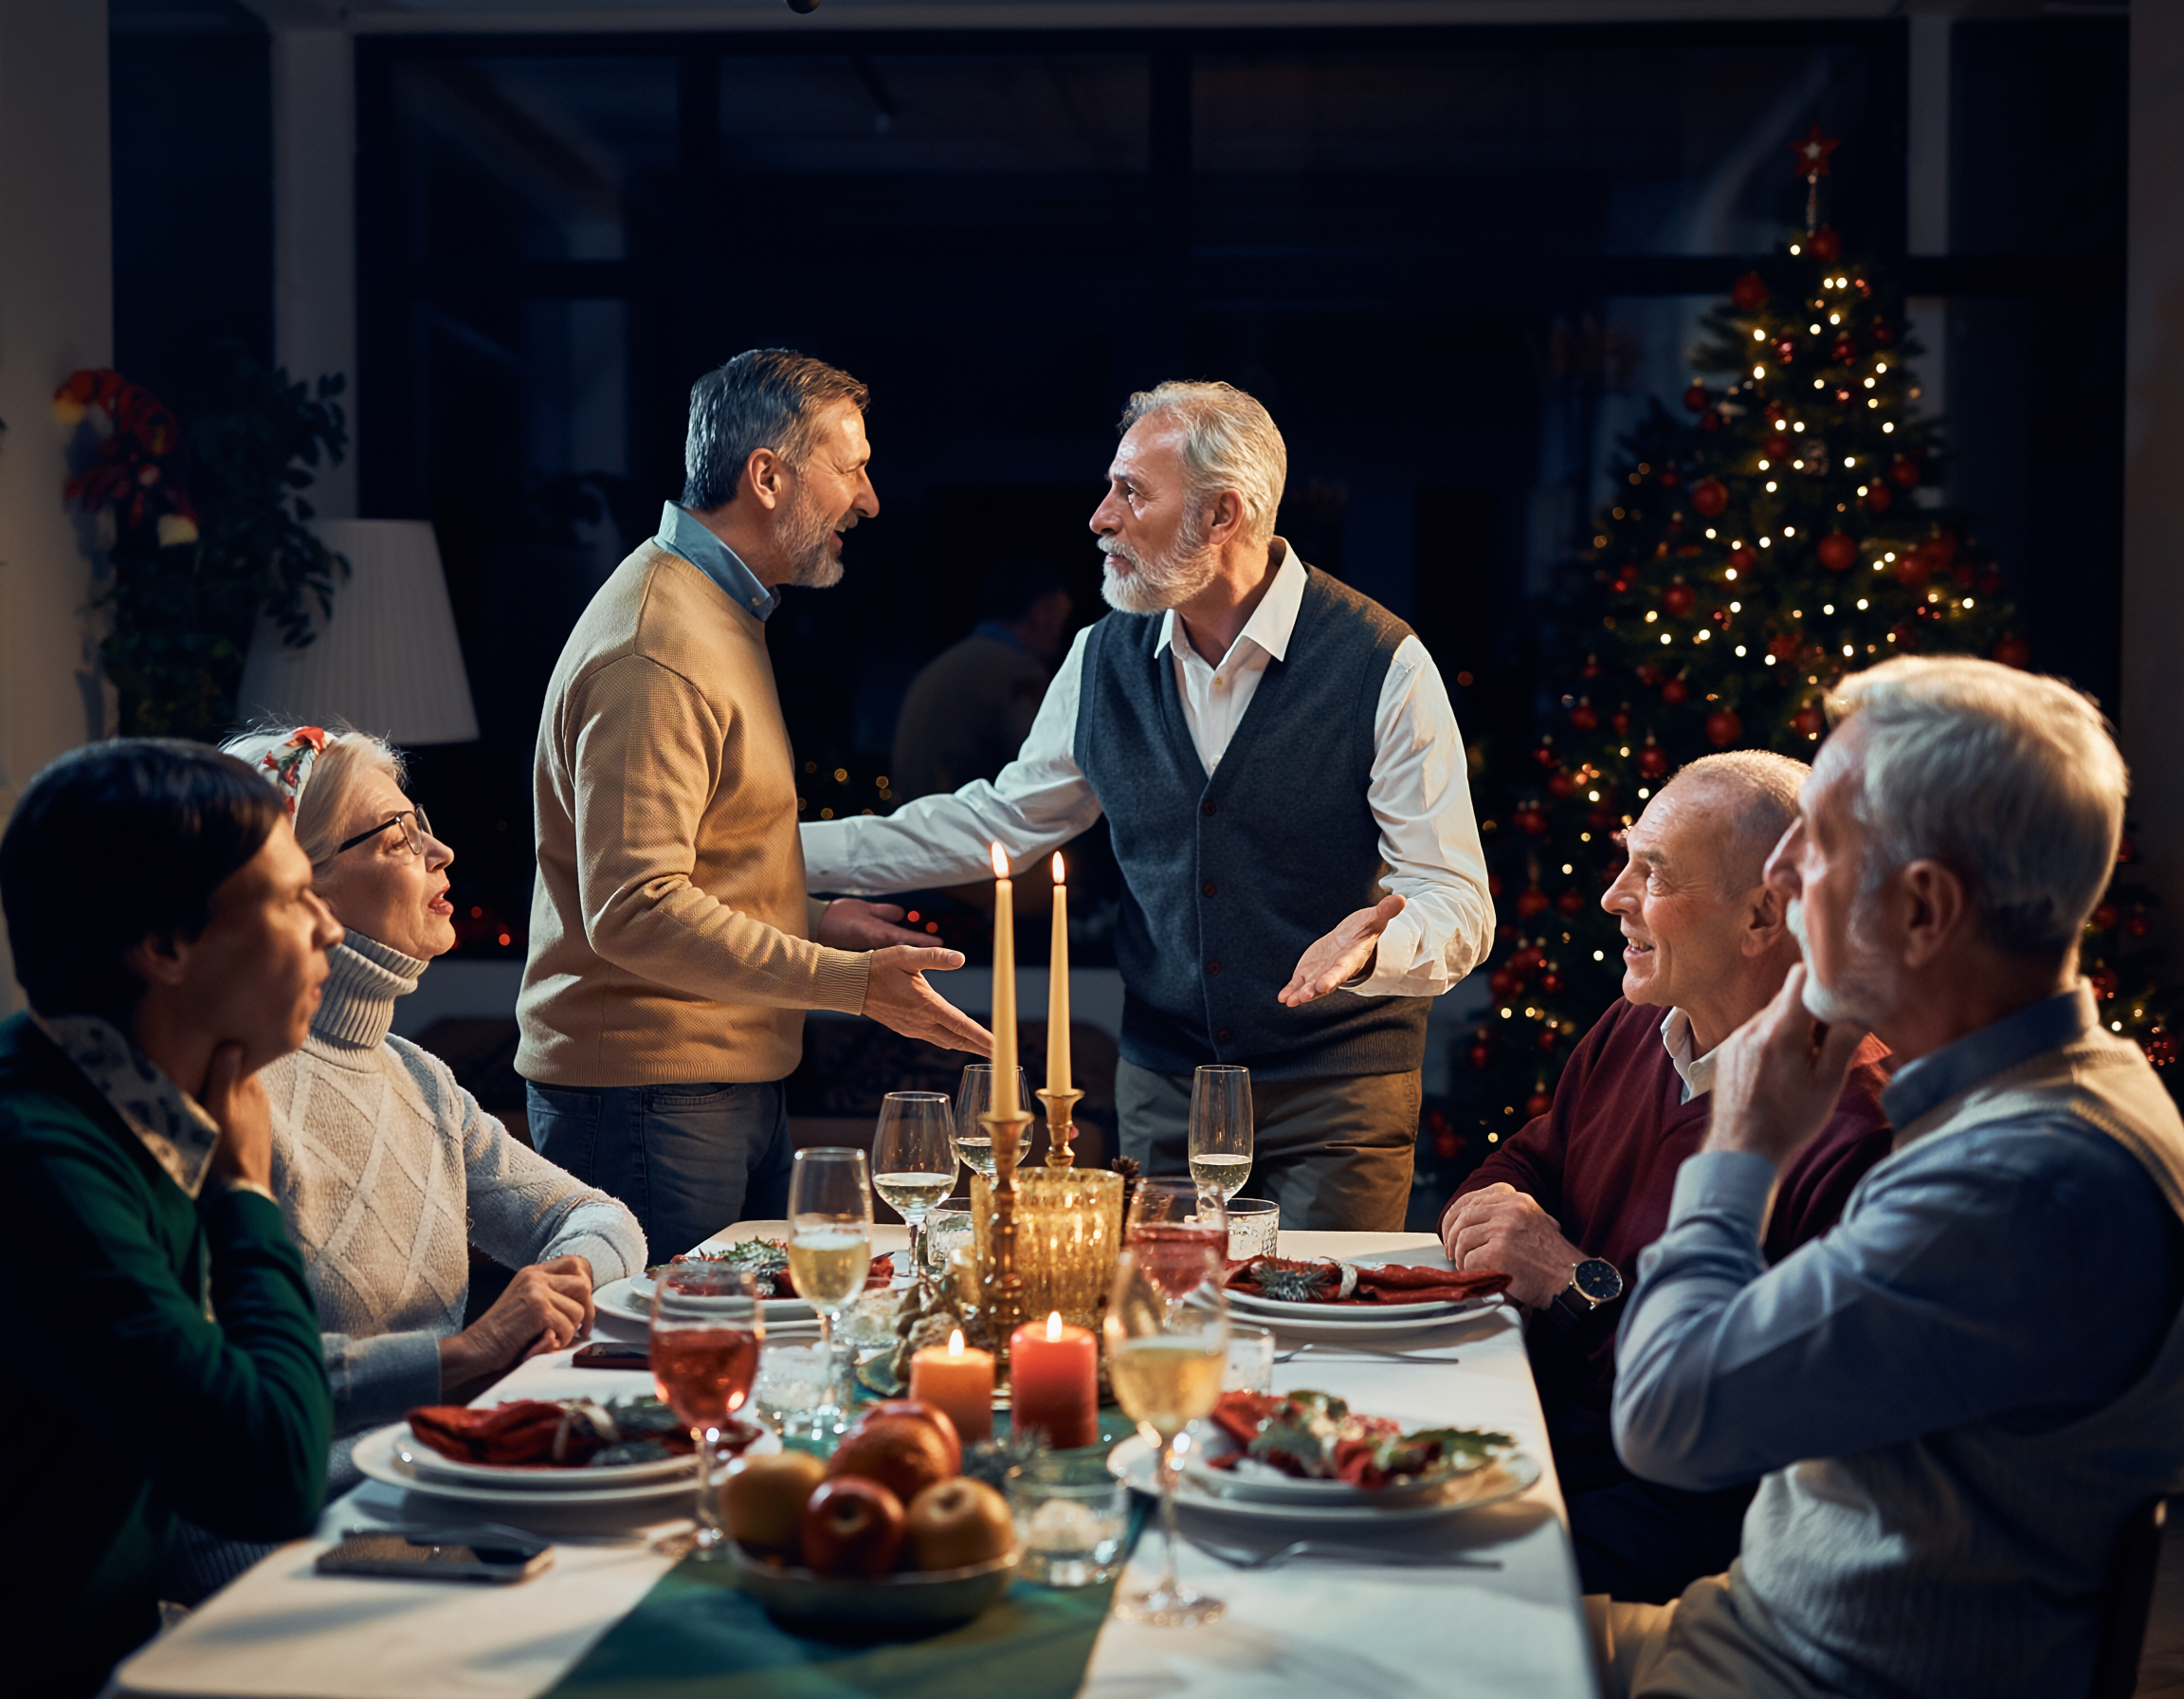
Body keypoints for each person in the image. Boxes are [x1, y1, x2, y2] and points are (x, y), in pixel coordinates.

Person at [1600, 656, 2184, 1699]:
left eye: (1818, 839)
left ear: (1924, 910)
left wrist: (1742, 1143)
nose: (1778, 875)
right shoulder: (2024, 1103)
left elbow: (1664, 1418)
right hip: (1740, 1629)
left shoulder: (2024, 1185)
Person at [804, 380, 1492, 1230]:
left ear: (1222, 516)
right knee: (1167, 1330)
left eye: (1131, 491)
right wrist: (775, 851)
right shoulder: (1101, 656)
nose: (1100, 517)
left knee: (1319, 1328)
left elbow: (1457, 902)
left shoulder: (1384, 664)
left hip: (1339, 1092)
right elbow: (1002, 820)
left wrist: (1375, 946)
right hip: (1165, 1086)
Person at [519, 349, 991, 1260]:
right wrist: (850, 985)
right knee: (679, 1381)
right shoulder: (657, 643)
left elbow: (691, 869)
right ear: (767, 476)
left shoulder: (715, 611)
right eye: (850, 468)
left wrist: (812, 922)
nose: (870, 498)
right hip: (651, 1101)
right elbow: (635, 911)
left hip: (708, 1088)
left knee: (747, 1376)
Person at [1439, 752, 1892, 1606]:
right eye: (1626, 859)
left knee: (1390, 1566)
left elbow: (1754, 1429)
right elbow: (1518, 1169)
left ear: (1764, 916)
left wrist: (1575, 1286)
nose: (1613, 896)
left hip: (1687, 1523)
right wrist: (1498, 1215)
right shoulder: (1638, 1027)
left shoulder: (1858, 1131)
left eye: (1652, 873)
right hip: (1538, 1435)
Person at [0, 740, 338, 1696]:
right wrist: (245, 1194)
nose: (332, 931)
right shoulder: (40, 1163)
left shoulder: (128, 1107)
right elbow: (269, 1472)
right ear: (164, 945)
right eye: (292, 899)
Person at [224, 725, 646, 1432]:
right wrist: (471, 1349)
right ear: (298, 888)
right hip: (315, 1517)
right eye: (396, 838)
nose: (440, 852)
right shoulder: (232, 1091)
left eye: (422, 827)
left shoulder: (419, 1078)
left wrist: (557, 1285)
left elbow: (601, 1219)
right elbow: (236, 1384)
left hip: (434, 1473)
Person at [889, 556, 1074, 801]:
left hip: (919, 822)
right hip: (968, 829)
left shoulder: (947, 664)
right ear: (1039, 614)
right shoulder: (1019, 671)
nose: (1060, 640)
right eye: (1062, 623)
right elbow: (1043, 772)